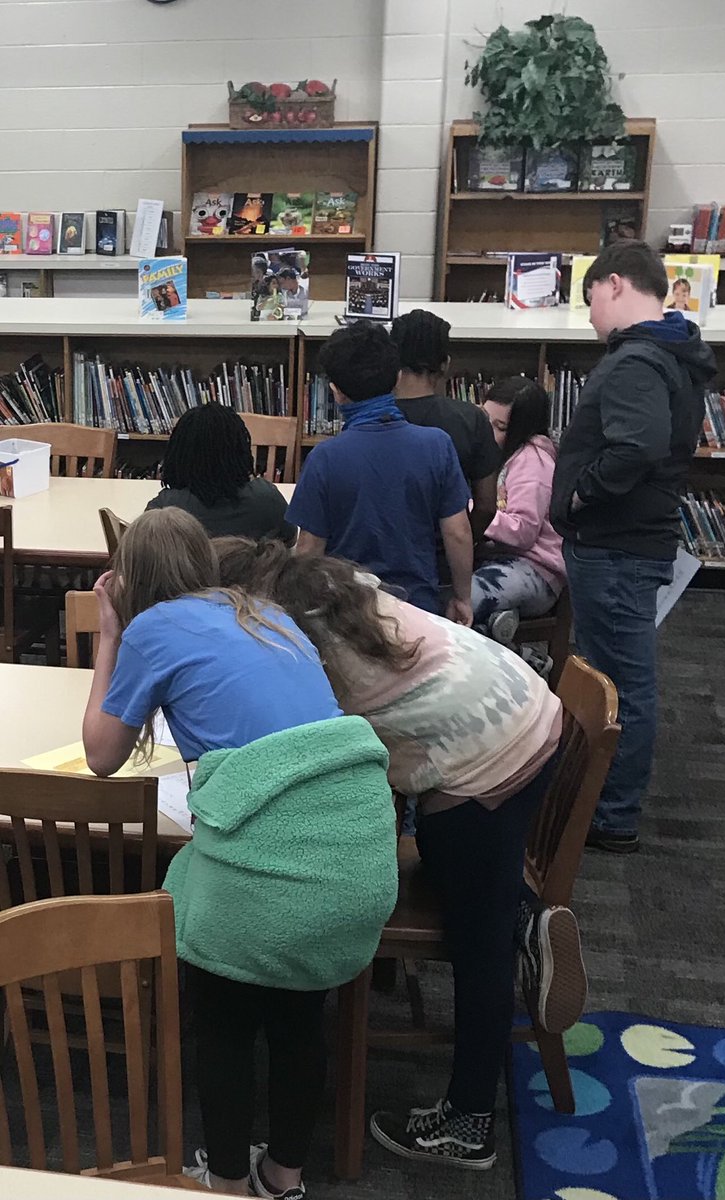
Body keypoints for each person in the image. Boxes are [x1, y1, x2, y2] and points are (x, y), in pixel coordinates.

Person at [215, 538, 588, 1172]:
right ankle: (521, 917)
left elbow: (307, 753)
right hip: (522, 701)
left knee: (477, 946)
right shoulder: (329, 582)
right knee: (442, 855)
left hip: (487, 755)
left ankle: (470, 1123)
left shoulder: (288, 640)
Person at [82, 508, 398, 1198]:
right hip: (359, 846)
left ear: (129, 578)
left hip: (276, 872)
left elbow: (102, 756)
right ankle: (282, 1178)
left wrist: (109, 634)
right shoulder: (264, 612)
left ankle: (224, 1181)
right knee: (296, 1015)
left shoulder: (149, 629)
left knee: (222, 1020)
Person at [551, 240, 716, 853]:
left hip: (616, 544)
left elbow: (636, 446)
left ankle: (612, 812)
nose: (589, 314)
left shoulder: (635, 362)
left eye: (590, 297)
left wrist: (576, 497)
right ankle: (602, 798)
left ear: (615, 285)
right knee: (615, 674)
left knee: (620, 681)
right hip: (630, 541)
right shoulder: (670, 353)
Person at [286, 320, 474, 623]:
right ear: (397, 377)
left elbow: (309, 550)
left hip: (348, 615)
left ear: (336, 393)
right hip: (418, 611)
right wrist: (463, 597)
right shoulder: (437, 445)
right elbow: (459, 533)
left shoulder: (324, 459)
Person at [473, 377, 566, 669]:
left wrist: (473, 510)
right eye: (484, 420)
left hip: (536, 572)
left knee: (460, 602)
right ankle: (520, 654)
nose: (488, 432)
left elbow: (523, 532)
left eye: (500, 428)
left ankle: (521, 660)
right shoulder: (497, 453)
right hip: (502, 561)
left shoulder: (532, 460)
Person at [390, 308, 501, 540]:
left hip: (372, 558)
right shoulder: (472, 419)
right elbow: (486, 506)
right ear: (445, 364)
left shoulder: (370, 417)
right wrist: (464, 545)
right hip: (443, 557)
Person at [146, 403, 296, 542]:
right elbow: (290, 538)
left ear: (178, 453)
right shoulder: (266, 499)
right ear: (240, 450)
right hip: (251, 570)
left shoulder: (166, 508)